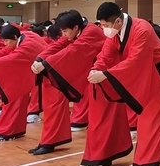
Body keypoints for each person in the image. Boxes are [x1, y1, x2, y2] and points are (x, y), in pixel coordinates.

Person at [87, 2, 160, 166]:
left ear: (118, 21)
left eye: (106, 26)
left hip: (159, 76)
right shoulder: (117, 31)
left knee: (154, 121)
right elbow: (106, 54)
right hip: (145, 76)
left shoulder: (142, 28)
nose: (105, 30)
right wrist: (97, 68)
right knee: (144, 123)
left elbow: (136, 60)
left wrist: (107, 74)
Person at [30, 11, 106, 155]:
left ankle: (100, 153)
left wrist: (46, 64)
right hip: (91, 74)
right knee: (54, 101)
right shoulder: (77, 31)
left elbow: (73, 50)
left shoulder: (91, 32)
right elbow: (60, 44)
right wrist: (40, 58)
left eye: (65, 31)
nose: (64, 34)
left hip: (102, 76)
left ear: (76, 27)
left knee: (100, 117)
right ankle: (49, 141)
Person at [0, 25, 48, 142]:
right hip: (37, 71)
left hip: (47, 73)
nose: (5, 43)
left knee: (17, 96)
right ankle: (15, 129)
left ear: (14, 37)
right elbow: (4, 52)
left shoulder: (27, 45)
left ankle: (10, 129)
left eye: (6, 40)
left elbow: (11, 58)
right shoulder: (21, 38)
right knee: (17, 97)